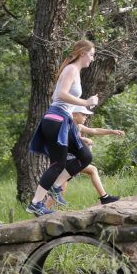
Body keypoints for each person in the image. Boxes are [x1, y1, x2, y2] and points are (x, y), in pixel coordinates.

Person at [27, 39, 98, 216]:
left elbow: (57, 96)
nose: (92, 59)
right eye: (91, 55)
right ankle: (35, 203)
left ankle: (56, 186)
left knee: (85, 156)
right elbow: (61, 94)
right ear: (82, 53)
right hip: (56, 119)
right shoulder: (71, 69)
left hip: (63, 119)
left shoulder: (75, 71)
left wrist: (80, 106)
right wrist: (86, 102)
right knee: (58, 164)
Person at [46, 105, 124, 208]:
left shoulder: (79, 127)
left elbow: (95, 130)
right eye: (83, 114)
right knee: (92, 170)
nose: (86, 117)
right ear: (74, 115)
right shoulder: (65, 126)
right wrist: (83, 139)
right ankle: (104, 197)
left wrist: (112, 132)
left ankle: (43, 210)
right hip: (65, 160)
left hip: (70, 160)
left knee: (60, 189)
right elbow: (66, 140)